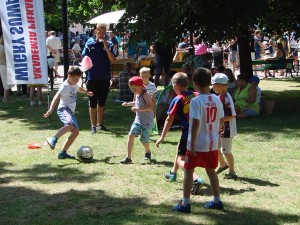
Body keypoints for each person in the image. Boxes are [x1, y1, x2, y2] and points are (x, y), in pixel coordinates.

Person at [173, 67, 224, 213]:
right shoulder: (216, 99)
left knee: (188, 171)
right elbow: (221, 120)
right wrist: (216, 130)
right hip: (212, 143)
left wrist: (193, 144)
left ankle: (185, 203)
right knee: (211, 171)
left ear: (194, 84)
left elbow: (195, 123)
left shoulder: (196, 101)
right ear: (210, 83)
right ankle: (217, 200)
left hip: (197, 144)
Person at [155, 72, 205, 194]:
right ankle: (173, 173)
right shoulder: (197, 95)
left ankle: (196, 179)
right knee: (179, 149)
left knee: (180, 159)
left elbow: (169, 119)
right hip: (200, 131)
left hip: (188, 133)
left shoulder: (177, 99)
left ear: (176, 85)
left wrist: (162, 137)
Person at [44, 66, 93, 159]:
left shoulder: (74, 84)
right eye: (75, 79)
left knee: (76, 132)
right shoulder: (65, 86)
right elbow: (56, 97)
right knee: (70, 124)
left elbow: (78, 89)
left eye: (78, 79)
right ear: (68, 76)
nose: (77, 81)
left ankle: (63, 152)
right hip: (64, 109)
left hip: (70, 111)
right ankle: (53, 139)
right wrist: (50, 110)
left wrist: (86, 92)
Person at [82, 23, 117, 134]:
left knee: (102, 102)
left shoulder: (110, 43)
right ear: (95, 31)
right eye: (99, 32)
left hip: (105, 77)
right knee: (92, 102)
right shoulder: (89, 43)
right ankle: (92, 126)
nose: (101, 35)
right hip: (92, 77)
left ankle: (99, 124)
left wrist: (106, 46)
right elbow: (84, 58)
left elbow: (113, 60)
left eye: (103, 32)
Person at [120, 76, 154, 164]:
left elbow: (150, 107)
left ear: (140, 87)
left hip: (147, 122)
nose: (132, 90)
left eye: (134, 89)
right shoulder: (137, 93)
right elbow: (137, 103)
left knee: (144, 140)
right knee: (131, 135)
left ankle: (148, 152)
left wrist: (138, 109)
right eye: (131, 89)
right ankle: (128, 158)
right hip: (138, 120)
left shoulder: (145, 94)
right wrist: (128, 104)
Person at [211, 73, 238, 180]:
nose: (212, 87)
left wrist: (220, 121)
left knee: (226, 151)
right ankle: (222, 164)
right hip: (220, 129)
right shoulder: (220, 96)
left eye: (213, 85)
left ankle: (232, 171)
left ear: (220, 86)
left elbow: (232, 115)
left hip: (227, 130)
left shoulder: (225, 98)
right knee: (215, 148)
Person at [0, 33, 13, 103]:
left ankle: (5, 98)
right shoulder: (5, 48)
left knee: (5, 83)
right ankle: (6, 99)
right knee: (7, 84)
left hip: (1, 66)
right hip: (5, 66)